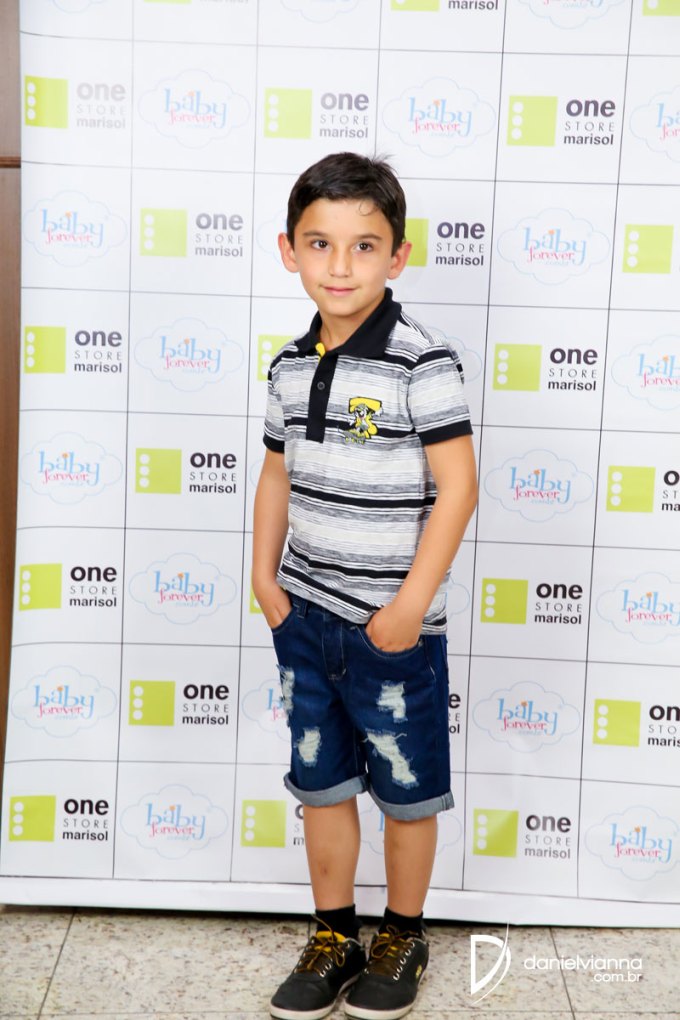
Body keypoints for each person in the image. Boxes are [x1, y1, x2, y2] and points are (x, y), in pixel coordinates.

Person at [252, 151, 477, 1020]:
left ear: (398, 256)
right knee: (323, 784)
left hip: (392, 629)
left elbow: (458, 486)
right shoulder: (287, 363)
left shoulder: (423, 360)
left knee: (407, 794)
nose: (339, 266)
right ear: (289, 251)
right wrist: (265, 577)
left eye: (363, 245)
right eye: (320, 244)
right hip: (306, 620)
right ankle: (334, 934)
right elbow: (277, 473)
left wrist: (410, 606)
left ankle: (403, 935)